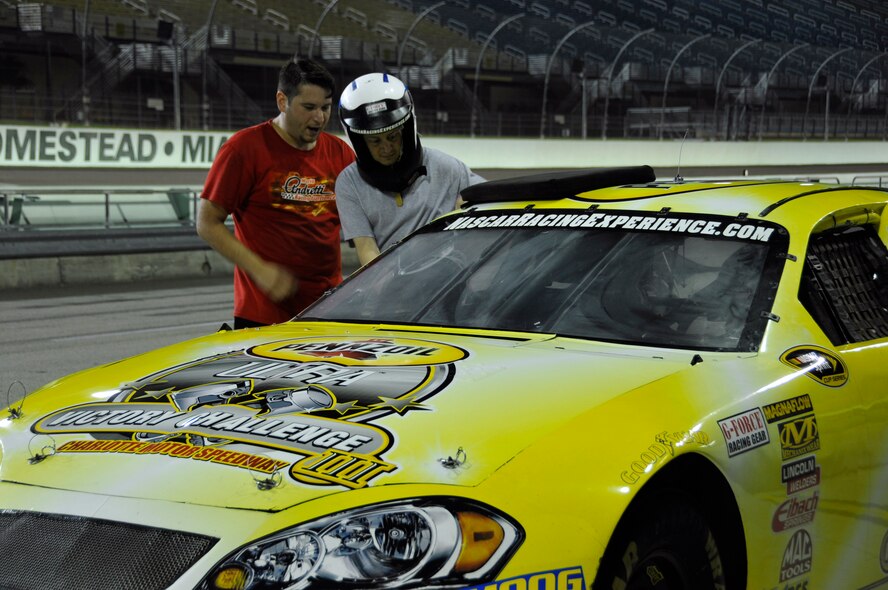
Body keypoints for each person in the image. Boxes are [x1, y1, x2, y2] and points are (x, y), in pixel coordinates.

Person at [197, 58, 355, 328]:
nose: (319, 118)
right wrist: (259, 270)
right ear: (282, 101)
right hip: (262, 316)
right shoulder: (244, 149)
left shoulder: (340, 153)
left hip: (327, 311)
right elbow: (207, 222)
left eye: (326, 107)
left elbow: (361, 222)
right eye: (309, 107)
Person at [336, 72, 483, 266]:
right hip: (391, 280)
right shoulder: (349, 184)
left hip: (450, 275)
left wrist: (475, 203)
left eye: (393, 136)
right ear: (360, 142)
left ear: (405, 131)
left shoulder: (449, 169)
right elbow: (366, 249)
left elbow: (495, 196)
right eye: (375, 141)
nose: (387, 148)